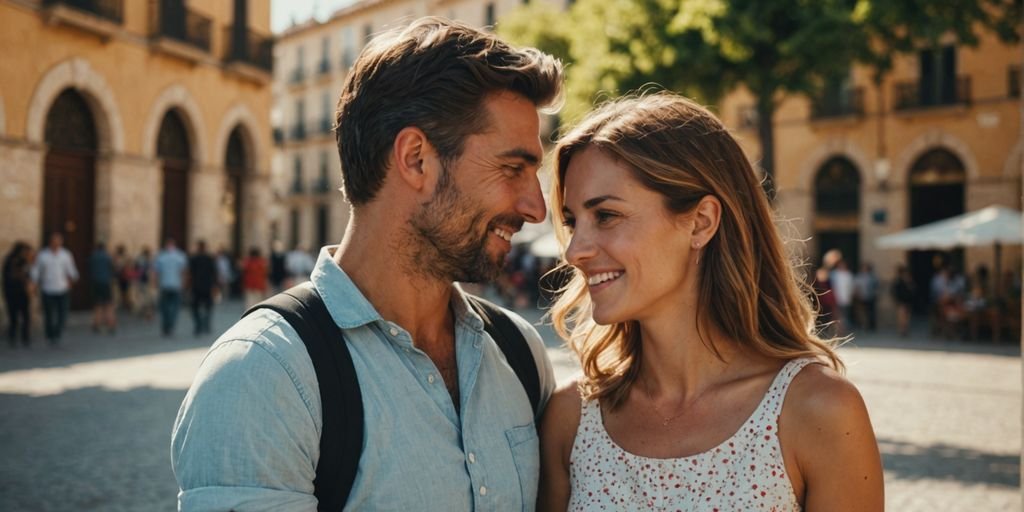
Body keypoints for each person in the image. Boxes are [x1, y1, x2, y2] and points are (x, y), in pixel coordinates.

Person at [172, 17, 563, 510]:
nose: (536, 207)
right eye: (513, 169)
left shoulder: (520, 352)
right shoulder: (262, 376)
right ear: (416, 159)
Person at [537, 93, 883, 511]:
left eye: (606, 216)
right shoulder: (571, 419)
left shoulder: (818, 413)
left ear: (700, 223)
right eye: (573, 222)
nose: (575, 251)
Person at [31, 233, 79, 346]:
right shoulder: (43, 255)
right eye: (54, 241)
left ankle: (57, 333)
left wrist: (71, 280)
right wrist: (34, 283)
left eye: (58, 241)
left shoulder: (65, 255)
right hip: (47, 289)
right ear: (50, 242)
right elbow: (36, 271)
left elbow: (71, 270)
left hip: (62, 289)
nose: (56, 243)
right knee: (49, 314)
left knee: (62, 314)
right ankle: (50, 335)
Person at [154, 238, 188, 337]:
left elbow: (156, 272)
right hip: (176, 285)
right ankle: (171, 326)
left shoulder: (161, 256)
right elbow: (183, 272)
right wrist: (184, 284)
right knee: (174, 308)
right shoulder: (180, 256)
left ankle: (166, 327)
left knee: (164, 308)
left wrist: (155, 283)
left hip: (164, 285)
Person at [3, 242, 33, 347]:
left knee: (26, 317)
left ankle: (25, 339)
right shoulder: (11, 261)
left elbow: (29, 276)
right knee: (13, 318)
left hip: (23, 294)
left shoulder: (24, 262)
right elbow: (12, 277)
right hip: (12, 294)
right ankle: (12, 338)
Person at [188, 240, 218, 336]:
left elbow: (190, 274)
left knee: (195, 307)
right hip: (207, 286)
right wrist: (215, 285)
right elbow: (214, 273)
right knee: (208, 307)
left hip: (197, 286)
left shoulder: (194, 258)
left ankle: (199, 325)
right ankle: (205, 324)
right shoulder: (209, 258)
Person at [88, 241, 117, 334]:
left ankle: (96, 324)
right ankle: (111, 324)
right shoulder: (107, 257)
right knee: (109, 305)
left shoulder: (92, 257)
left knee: (97, 305)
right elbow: (113, 269)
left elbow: (89, 269)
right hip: (106, 283)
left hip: (96, 283)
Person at [854, 262, 880, 332]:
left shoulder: (872, 276)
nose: (864, 269)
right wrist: (858, 295)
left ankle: (871, 326)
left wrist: (876, 294)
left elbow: (876, 286)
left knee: (871, 312)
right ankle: (863, 325)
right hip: (862, 297)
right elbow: (856, 287)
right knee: (862, 312)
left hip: (871, 297)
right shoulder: (858, 276)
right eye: (863, 267)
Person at [830, 259, 854, 332]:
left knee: (844, 314)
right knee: (836, 313)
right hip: (835, 297)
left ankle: (843, 328)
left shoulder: (848, 274)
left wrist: (850, 295)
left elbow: (851, 286)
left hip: (846, 298)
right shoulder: (834, 274)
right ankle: (836, 328)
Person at [891, 265, 915, 337]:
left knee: (907, 318)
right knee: (901, 317)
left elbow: (913, 291)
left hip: (909, 302)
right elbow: (894, 291)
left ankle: (905, 330)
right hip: (901, 302)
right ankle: (901, 330)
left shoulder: (910, 282)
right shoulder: (898, 282)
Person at [134, 246, 155, 320]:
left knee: (141, 297)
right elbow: (150, 272)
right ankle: (148, 314)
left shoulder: (139, 260)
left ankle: (141, 311)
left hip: (139, 280)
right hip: (146, 281)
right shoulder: (148, 261)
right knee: (147, 298)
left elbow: (136, 269)